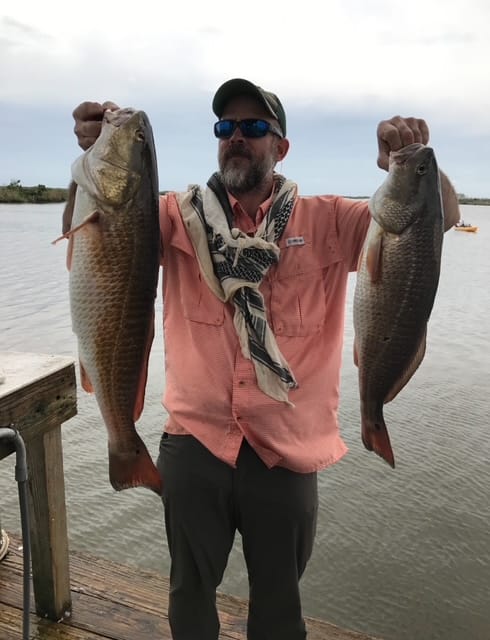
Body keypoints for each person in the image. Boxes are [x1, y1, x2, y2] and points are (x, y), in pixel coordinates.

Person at [70, 78, 460, 640]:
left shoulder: (330, 220)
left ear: (280, 146)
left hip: (287, 451)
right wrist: (90, 151)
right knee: (188, 594)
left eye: (254, 128)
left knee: (279, 606)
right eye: (225, 128)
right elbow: (102, 227)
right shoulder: (175, 217)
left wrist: (414, 165)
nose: (237, 138)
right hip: (194, 443)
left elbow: (434, 221)